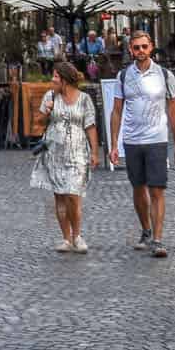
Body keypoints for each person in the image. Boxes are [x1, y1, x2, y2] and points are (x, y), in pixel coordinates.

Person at [105, 30, 175, 258]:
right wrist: (113, 145)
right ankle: (146, 230)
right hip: (131, 140)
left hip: (157, 139)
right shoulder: (123, 76)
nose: (140, 51)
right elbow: (116, 111)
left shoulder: (165, 75)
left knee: (157, 189)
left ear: (151, 47)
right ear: (131, 49)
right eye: (136, 47)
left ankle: (158, 240)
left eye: (144, 47)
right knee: (138, 188)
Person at [29, 61, 100, 253]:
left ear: (66, 80)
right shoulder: (50, 96)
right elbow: (38, 121)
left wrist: (95, 152)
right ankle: (66, 239)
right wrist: (48, 111)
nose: (52, 80)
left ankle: (77, 235)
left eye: (56, 77)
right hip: (54, 152)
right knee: (60, 196)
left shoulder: (84, 99)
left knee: (73, 194)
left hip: (78, 151)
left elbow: (91, 126)